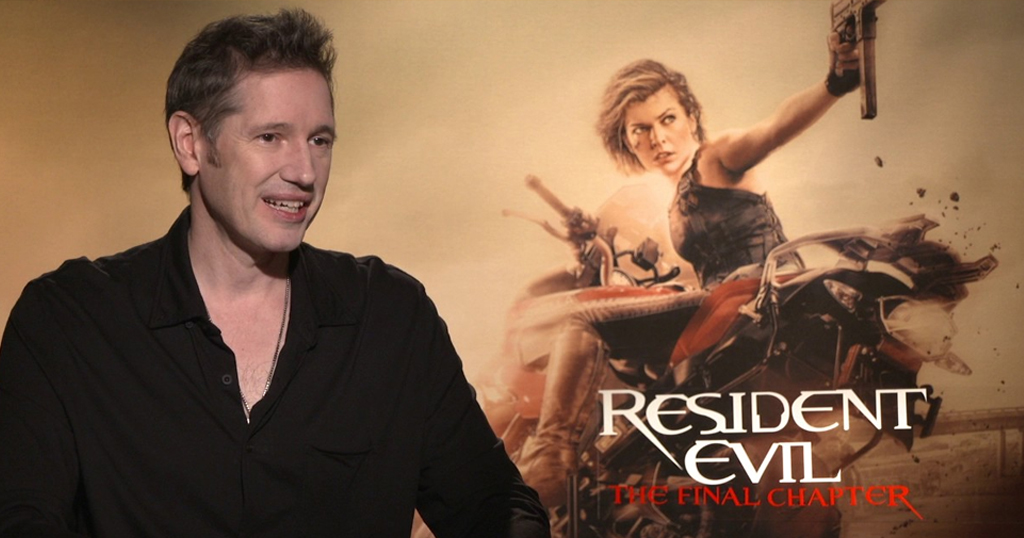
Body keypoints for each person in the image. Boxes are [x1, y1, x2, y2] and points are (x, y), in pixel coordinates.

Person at [0, 9, 548, 538]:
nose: (304, 172)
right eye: (270, 137)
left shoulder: (391, 317)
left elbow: (494, 505)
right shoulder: (68, 321)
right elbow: (18, 520)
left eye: (319, 140)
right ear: (190, 144)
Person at [516, 32, 861, 511]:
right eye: (640, 130)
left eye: (668, 119)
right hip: (733, 305)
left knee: (582, 318)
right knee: (648, 403)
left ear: (691, 118)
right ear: (626, 141)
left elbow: (771, 130)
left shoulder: (716, 158)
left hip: (753, 299)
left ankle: (549, 460)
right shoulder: (679, 196)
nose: (657, 139)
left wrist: (835, 83)